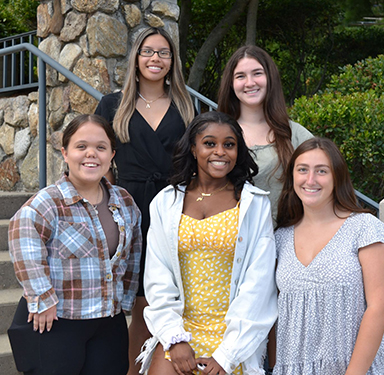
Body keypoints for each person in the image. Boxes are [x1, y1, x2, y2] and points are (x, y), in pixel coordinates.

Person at [137, 111, 278, 375]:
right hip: (180, 330)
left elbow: (259, 284)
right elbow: (158, 277)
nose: (220, 152)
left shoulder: (254, 204)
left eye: (229, 144)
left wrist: (227, 354)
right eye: (210, 143)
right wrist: (174, 339)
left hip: (234, 336)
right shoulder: (166, 202)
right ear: (193, 148)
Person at [7, 114, 142, 375]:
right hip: (57, 320)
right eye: (81, 146)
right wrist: (42, 298)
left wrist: (126, 298)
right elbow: (23, 236)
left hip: (107, 321)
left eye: (100, 147)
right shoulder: (49, 202)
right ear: (65, 153)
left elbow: (133, 250)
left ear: (111, 155)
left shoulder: (124, 201)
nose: (91, 154)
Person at [95, 27, 195, 374]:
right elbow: (102, 160)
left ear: (173, 61)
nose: (156, 59)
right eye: (149, 52)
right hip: (128, 207)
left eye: (164, 53)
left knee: (158, 301)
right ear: (136, 58)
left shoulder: (185, 104)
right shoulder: (111, 104)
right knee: (138, 303)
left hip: (172, 206)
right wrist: (105, 205)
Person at [274, 137, 384, 374]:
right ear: (292, 177)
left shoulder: (364, 228)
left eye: (321, 171)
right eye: (302, 170)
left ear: (337, 176)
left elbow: (380, 308)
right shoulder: (281, 238)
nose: (310, 180)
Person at [217, 45, 313, 225]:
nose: (250, 82)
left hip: (287, 243)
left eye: (257, 73)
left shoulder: (295, 134)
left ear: (270, 78)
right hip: (230, 243)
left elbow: (326, 180)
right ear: (231, 83)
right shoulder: (216, 136)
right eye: (240, 76)